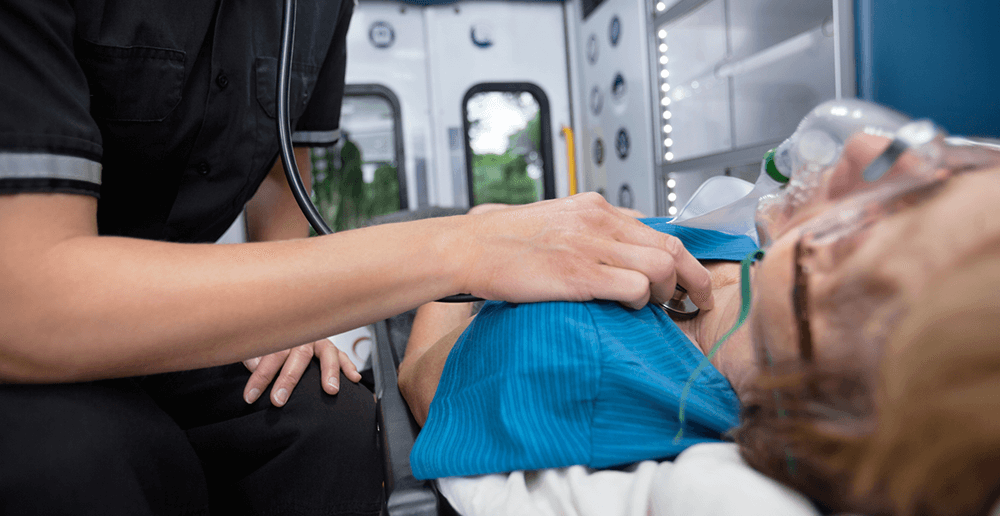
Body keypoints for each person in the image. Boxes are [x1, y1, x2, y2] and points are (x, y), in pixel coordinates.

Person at [0, 2, 696, 515]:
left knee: (323, 425)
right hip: (47, 308)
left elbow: (280, 177)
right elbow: (25, 298)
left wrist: (297, 319)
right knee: (84, 458)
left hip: (178, 302)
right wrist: (466, 243)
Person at [397, 130, 1000, 514]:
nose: (865, 148)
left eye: (892, 215)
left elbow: (418, 377)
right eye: (946, 165)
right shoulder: (747, 256)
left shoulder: (579, 371)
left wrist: (476, 231)